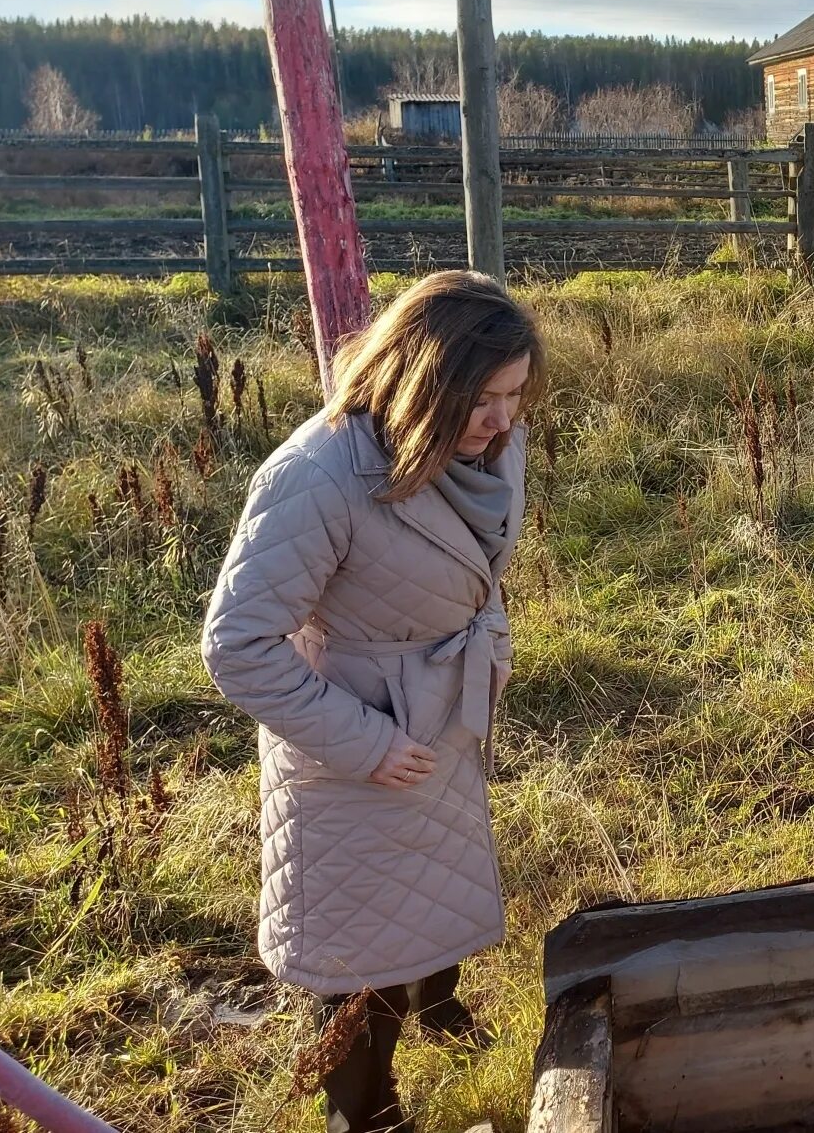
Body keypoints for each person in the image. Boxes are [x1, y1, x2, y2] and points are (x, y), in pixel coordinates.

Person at [203, 271, 543, 1133]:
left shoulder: (483, 448)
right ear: (425, 378)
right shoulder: (316, 476)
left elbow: (478, 570)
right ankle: (366, 1109)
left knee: (430, 888)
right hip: (357, 742)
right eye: (486, 397)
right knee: (361, 947)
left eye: (515, 395)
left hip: (440, 712)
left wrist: (485, 640)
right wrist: (365, 743)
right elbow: (237, 646)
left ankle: (438, 1003)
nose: (505, 421)